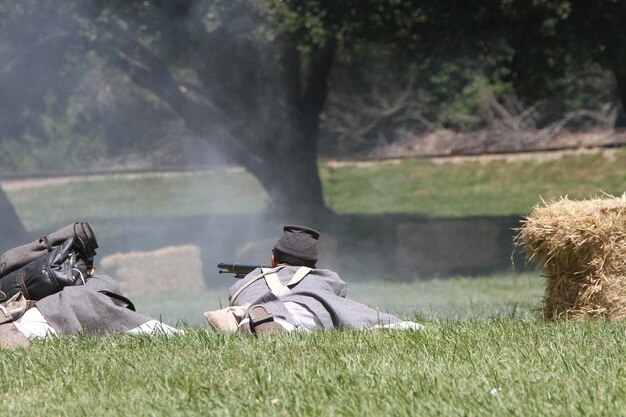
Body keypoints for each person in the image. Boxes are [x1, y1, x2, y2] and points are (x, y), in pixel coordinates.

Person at [0, 223, 182, 349]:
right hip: (19, 323)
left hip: (29, 318)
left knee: (93, 290)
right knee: (88, 295)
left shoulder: (94, 286)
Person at [225, 225, 423, 336]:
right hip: (313, 314)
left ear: (273, 259)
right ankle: (396, 325)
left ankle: (273, 324)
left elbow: (236, 295)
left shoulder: (252, 279)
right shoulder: (327, 277)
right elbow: (340, 294)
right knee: (360, 316)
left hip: (267, 312)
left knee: (259, 315)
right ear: (312, 265)